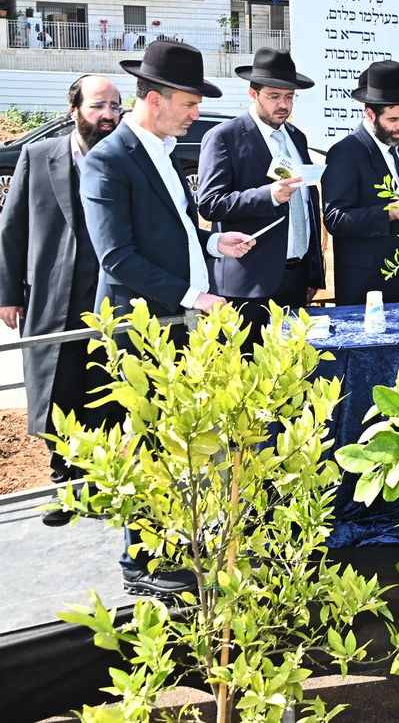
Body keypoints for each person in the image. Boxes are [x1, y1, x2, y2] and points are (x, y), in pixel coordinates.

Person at [80, 40, 257, 599]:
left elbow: (170, 232)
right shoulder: (109, 161)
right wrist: (194, 296)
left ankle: (174, 545)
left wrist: (213, 243)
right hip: (143, 330)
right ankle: (141, 564)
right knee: (147, 444)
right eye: (189, 102)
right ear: (155, 100)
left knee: (177, 441)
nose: (196, 112)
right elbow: (118, 258)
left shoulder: (164, 148)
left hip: (178, 325)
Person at [0, 75, 124, 525]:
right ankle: (63, 484)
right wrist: (8, 294)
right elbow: (12, 229)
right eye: (98, 106)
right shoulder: (37, 156)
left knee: (105, 394)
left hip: (113, 300)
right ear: (74, 110)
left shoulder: (126, 158)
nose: (108, 114)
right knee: (56, 393)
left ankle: (98, 485)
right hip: (53, 298)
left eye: (115, 106)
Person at [196, 49, 323, 343]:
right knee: (245, 373)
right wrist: (268, 196)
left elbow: (305, 207)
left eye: (289, 97)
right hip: (247, 282)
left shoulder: (297, 137)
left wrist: (312, 271)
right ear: (252, 94)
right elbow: (210, 204)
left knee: (290, 372)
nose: (283, 104)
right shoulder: (224, 137)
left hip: (295, 276)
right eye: (274, 96)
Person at [322, 60, 399, 305]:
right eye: (393, 120)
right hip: (370, 285)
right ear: (370, 114)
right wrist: (390, 213)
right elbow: (335, 219)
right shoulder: (346, 153)